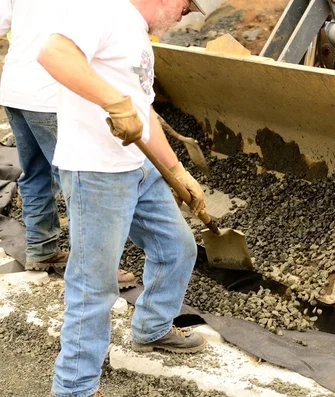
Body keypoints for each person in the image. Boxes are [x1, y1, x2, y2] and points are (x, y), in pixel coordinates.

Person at [38, 0, 208, 395]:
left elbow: (142, 112)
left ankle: (151, 328)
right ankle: (74, 387)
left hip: (137, 168)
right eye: (186, 4)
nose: (186, 12)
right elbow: (53, 52)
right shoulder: (105, 10)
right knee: (94, 286)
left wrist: (176, 170)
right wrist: (112, 102)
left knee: (178, 247)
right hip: (96, 172)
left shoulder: (137, 33)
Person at [0, 0, 137, 290]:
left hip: (15, 91)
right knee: (80, 180)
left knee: (35, 172)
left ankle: (41, 248)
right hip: (52, 95)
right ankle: (93, 268)